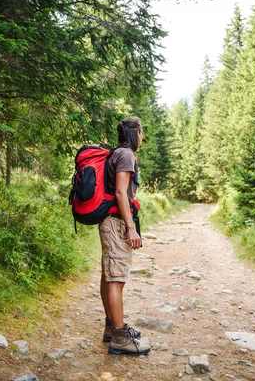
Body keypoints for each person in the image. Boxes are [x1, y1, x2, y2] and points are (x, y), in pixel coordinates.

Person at [99, 116, 150, 356]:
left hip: (109, 222)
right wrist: (131, 228)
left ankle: (112, 327)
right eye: (142, 132)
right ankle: (119, 337)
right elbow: (121, 192)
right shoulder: (126, 155)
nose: (143, 136)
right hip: (117, 224)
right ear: (135, 132)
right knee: (117, 279)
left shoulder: (116, 153)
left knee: (109, 276)